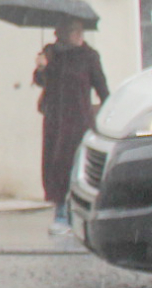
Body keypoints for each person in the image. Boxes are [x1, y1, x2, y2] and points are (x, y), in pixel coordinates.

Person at [32, 23, 107, 233]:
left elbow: (101, 85)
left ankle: (76, 213)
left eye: (81, 31)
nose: (79, 35)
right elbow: (40, 81)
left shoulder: (89, 56)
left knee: (74, 165)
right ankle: (61, 213)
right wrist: (40, 68)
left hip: (79, 120)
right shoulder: (51, 53)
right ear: (61, 33)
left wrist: (108, 112)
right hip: (55, 119)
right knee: (55, 165)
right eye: (75, 31)